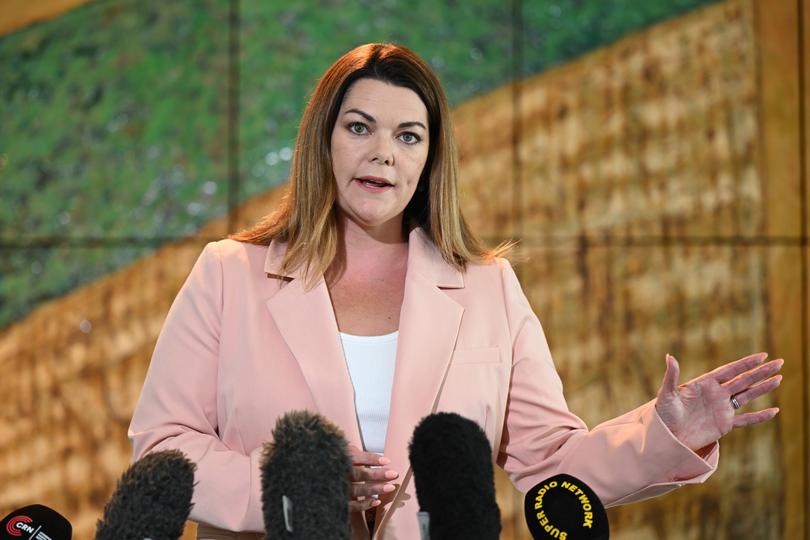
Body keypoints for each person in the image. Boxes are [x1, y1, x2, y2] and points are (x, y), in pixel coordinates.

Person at [128, 43, 783, 540]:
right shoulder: (228, 274)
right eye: (359, 128)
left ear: (429, 158)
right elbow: (162, 444)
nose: (383, 153)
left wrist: (662, 434)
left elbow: (547, 462)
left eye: (408, 136)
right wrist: (286, 484)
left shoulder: (487, 287)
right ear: (322, 141)